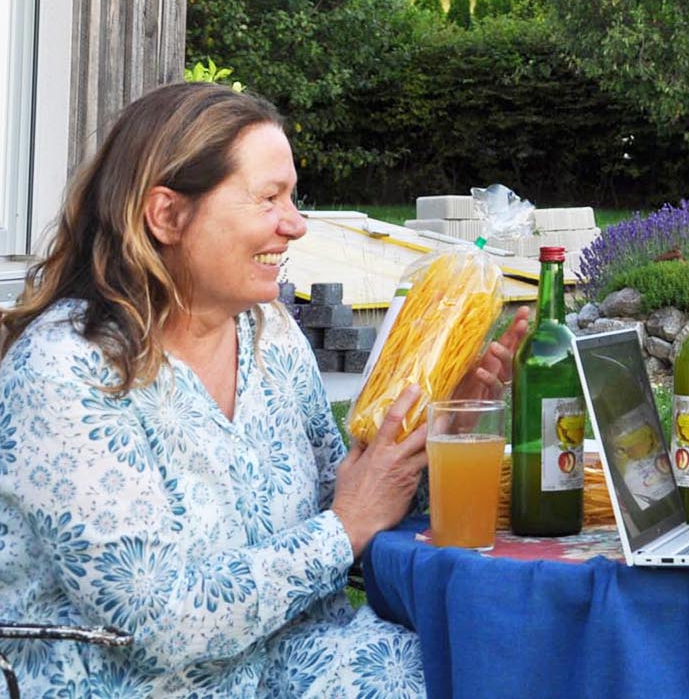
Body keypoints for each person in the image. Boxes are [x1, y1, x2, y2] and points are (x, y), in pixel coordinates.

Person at [0, 82, 529, 696]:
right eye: (268, 198)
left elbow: (359, 506)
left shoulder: (268, 335)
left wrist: (443, 423)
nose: (296, 225)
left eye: (293, 197)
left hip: (300, 663)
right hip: (144, 685)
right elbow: (162, 624)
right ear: (166, 214)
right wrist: (343, 527)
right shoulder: (66, 372)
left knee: (507, 659)